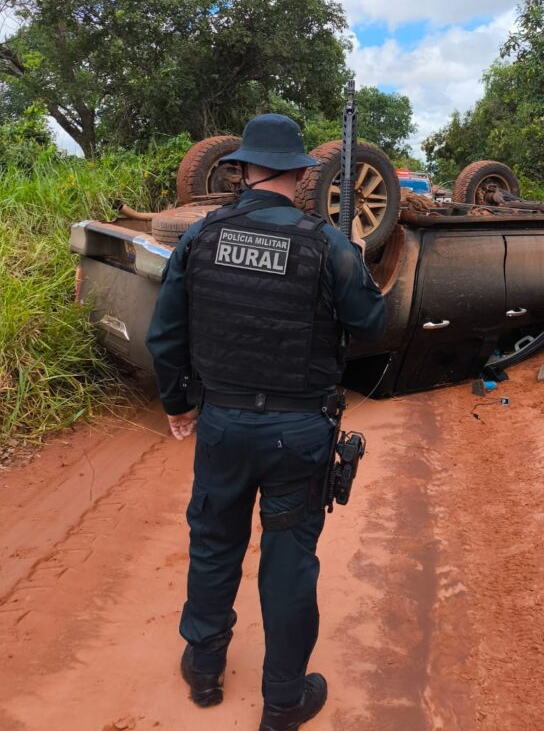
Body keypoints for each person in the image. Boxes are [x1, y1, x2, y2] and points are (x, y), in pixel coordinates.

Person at [146, 114, 387, 731]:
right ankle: (283, 703)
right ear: (303, 174)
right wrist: (355, 261)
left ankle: (203, 671)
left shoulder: (201, 236)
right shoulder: (328, 243)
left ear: (244, 169)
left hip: (223, 426)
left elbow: (166, 333)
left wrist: (179, 405)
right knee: (288, 562)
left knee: (214, 543)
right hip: (298, 433)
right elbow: (373, 326)